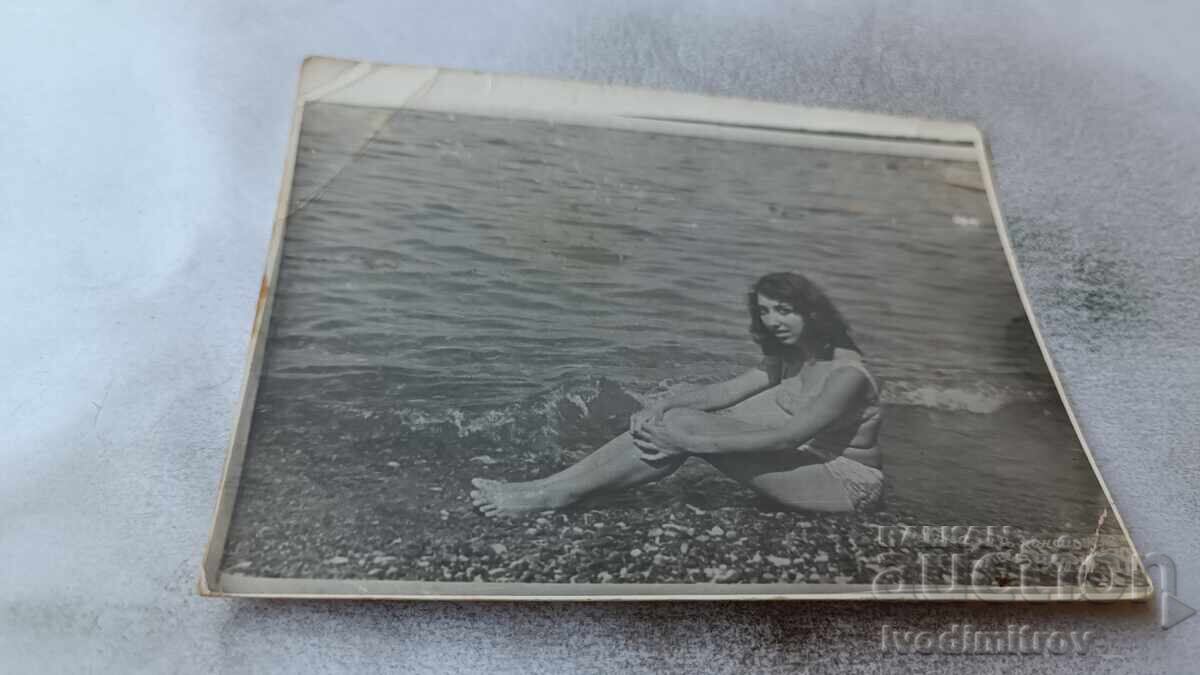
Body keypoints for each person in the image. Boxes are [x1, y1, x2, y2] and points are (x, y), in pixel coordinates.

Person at [471, 271, 884, 516]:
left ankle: (555, 494)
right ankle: (552, 486)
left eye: (784, 310)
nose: (773, 321)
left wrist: (691, 441)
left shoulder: (848, 375)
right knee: (672, 416)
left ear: (812, 313)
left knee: (682, 428)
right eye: (765, 311)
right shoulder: (791, 355)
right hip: (803, 462)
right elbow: (726, 391)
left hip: (843, 484)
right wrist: (664, 403)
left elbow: (788, 437)